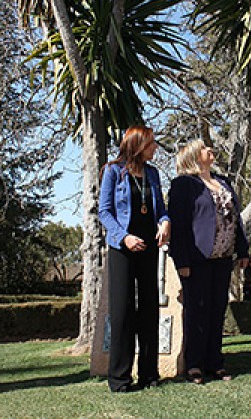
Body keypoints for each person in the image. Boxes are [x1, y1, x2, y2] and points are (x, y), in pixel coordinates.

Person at [168, 139, 250, 384]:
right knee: (197, 312)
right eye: (205, 149)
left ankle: (215, 362)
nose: (210, 151)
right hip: (197, 260)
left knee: (217, 311)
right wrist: (181, 260)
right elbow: (179, 225)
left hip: (222, 260)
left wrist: (242, 250)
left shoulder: (222, 182)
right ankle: (194, 364)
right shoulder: (184, 185)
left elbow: (236, 219)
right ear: (194, 156)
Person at [98, 126, 171, 393]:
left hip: (149, 248)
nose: (155, 148)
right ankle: (119, 378)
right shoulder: (112, 171)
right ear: (138, 145)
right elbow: (104, 212)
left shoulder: (152, 174)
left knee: (150, 308)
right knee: (122, 312)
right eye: (152, 143)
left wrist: (164, 222)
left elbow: (160, 209)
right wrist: (124, 237)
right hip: (122, 249)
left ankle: (149, 375)